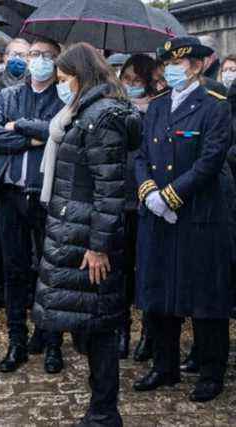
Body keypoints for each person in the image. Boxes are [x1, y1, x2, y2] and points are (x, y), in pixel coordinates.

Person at [34, 42, 136, 427]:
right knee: (88, 325)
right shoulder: (86, 111)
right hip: (74, 229)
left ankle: (105, 412)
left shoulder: (102, 116)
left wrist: (98, 247)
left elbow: (109, 189)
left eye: (64, 79)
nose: (61, 86)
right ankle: (100, 406)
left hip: (89, 239)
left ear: (82, 75)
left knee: (100, 326)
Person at [133, 36, 233, 403]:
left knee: (206, 297)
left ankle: (210, 371)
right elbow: (141, 154)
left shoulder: (215, 105)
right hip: (158, 215)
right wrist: (149, 194)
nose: (172, 70)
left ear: (197, 66)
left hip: (199, 215)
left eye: (180, 64)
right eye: (168, 64)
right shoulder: (157, 107)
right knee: (160, 291)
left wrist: (172, 196)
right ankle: (165, 365)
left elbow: (211, 159)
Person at [0, 37, 65, 374]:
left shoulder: (63, 96)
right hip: (10, 194)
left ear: (57, 61)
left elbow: (61, 131)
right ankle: (17, 339)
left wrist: (22, 127)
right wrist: (33, 138)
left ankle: (52, 341)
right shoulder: (9, 94)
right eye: (34, 54)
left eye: (47, 55)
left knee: (50, 271)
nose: (39, 60)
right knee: (14, 270)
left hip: (47, 198)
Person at [117, 54, 160, 362]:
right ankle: (121, 330)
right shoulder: (115, 106)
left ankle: (149, 332)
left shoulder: (158, 108)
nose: (131, 86)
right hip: (119, 196)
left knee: (147, 269)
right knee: (120, 270)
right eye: (127, 80)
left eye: (137, 81)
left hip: (147, 196)